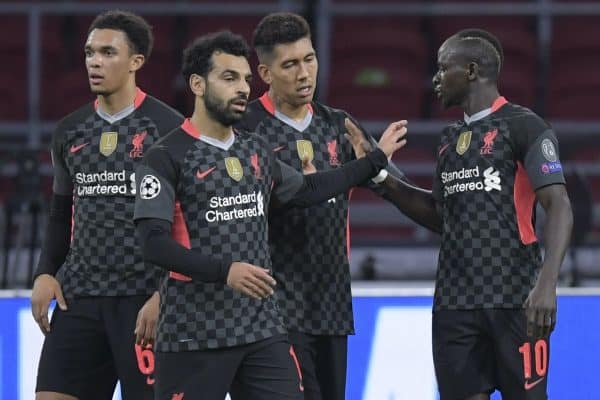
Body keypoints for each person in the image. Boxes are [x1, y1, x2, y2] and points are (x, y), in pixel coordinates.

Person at [132, 30, 406, 400]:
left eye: (245, 79)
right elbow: (154, 245)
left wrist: (373, 160)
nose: (243, 88)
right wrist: (224, 271)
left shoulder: (255, 149)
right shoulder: (166, 156)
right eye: (229, 78)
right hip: (193, 332)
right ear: (198, 84)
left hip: (262, 330)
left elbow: (310, 190)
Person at [353, 28, 572, 399]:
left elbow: (559, 205)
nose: (434, 79)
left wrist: (547, 283)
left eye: (442, 69)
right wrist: (380, 175)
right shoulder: (448, 139)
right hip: (454, 306)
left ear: (471, 71)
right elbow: (441, 215)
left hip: (514, 299)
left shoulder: (525, 126)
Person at [235, 13, 405, 400]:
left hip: (330, 304)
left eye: (309, 59)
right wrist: (369, 163)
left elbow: (389, 186)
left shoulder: (338, 125)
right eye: (289, 64)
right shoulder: (246, 128)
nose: (303, 73)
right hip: (272, 305)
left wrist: (378, 169)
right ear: (265, 72)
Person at [30, 10, 184, 400]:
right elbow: (61, 210)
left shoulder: (169, 129)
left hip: (144, 301)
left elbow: (192, 222)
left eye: (107, 53)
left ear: (136, 62)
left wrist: (165, 293)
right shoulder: (70, 130)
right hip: (79, 296)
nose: (94, 62)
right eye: (89, 53)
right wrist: (46, 272)